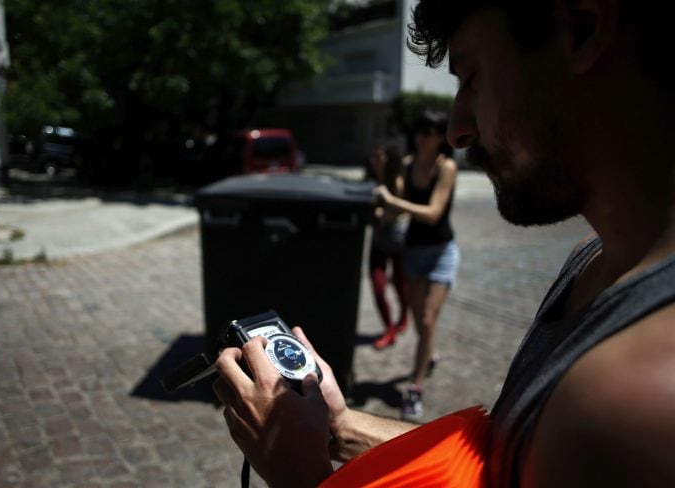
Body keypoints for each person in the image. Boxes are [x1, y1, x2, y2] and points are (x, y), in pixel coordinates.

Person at [213, 0, 675, 486]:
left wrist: (299, 475)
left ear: (582, 29)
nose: (458, 129)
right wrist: (339, 427)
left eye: (472, 79)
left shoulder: (638, 402)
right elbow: (500, 463)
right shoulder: (594, 257)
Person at [376, 110, 459, 421]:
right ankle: (429, 353)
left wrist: (394, 203)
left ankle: (415, 388)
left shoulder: (446, 167)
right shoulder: (409, 166)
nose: (422, 136)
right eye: (419, 130)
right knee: (422, 321)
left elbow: (433, 213)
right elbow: (395, 200)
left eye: (430, 131)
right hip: (413, 251)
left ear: (440, 136)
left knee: (425, 320)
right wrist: (384, 179)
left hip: (440, 252)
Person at [364, 144, 411, 350]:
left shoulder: (397, 182)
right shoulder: (370, 181)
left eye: (379, 157)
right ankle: (389, 329)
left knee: (400, 285)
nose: (375, 161)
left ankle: (403, 317)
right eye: (373, 157)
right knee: (378, 287)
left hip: (398, 241)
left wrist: (379, 214)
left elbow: (396, 211)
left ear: (388, 159)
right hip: (379, 242)